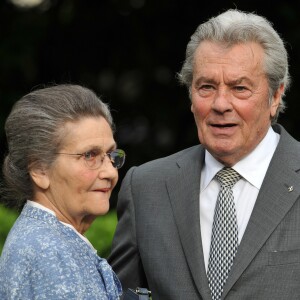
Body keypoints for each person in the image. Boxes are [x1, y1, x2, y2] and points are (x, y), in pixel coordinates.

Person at [108, 9, 300, 300]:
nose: (221, 104)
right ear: (190, 95)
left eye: (239, 88)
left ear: (275, 96)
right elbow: (119, 294)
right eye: (206, 87)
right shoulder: (146, 187)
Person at [0, 84, 125, 299]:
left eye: (111, 155)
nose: (110, 172)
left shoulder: (50, 241)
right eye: (89, 155)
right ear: (39, 170)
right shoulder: (48, 253)